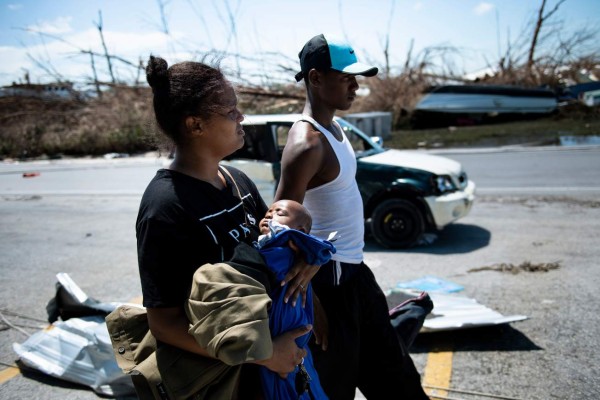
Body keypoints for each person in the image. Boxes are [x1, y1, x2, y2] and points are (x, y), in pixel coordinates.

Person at [133, 55, 319, 399]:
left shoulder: (237, 179)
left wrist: (305, 255)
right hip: (228, 381)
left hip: (273, 373)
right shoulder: (164, 207)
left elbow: (273, 247)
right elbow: (164, 323)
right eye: (230, 111)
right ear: (195, 125)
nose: (241, 117)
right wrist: (264, 354)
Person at [275, 33, 429, 399]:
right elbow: (276, 232)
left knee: (396, 376)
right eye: (346, 78)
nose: (356, 86)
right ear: (315, 78)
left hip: (355, 272)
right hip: (328, 284)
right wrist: (313, 305)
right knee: (334, 387)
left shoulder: (335, 128)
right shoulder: (306, 144)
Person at [256, 200, 335, 399]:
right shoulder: (304, 255)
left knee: (284, 383)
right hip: (291, 337)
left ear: (300, 230)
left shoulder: (283, 246)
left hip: (283, 336)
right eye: (268, 211)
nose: (269, 215)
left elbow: (261, 265)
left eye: (279, 213)